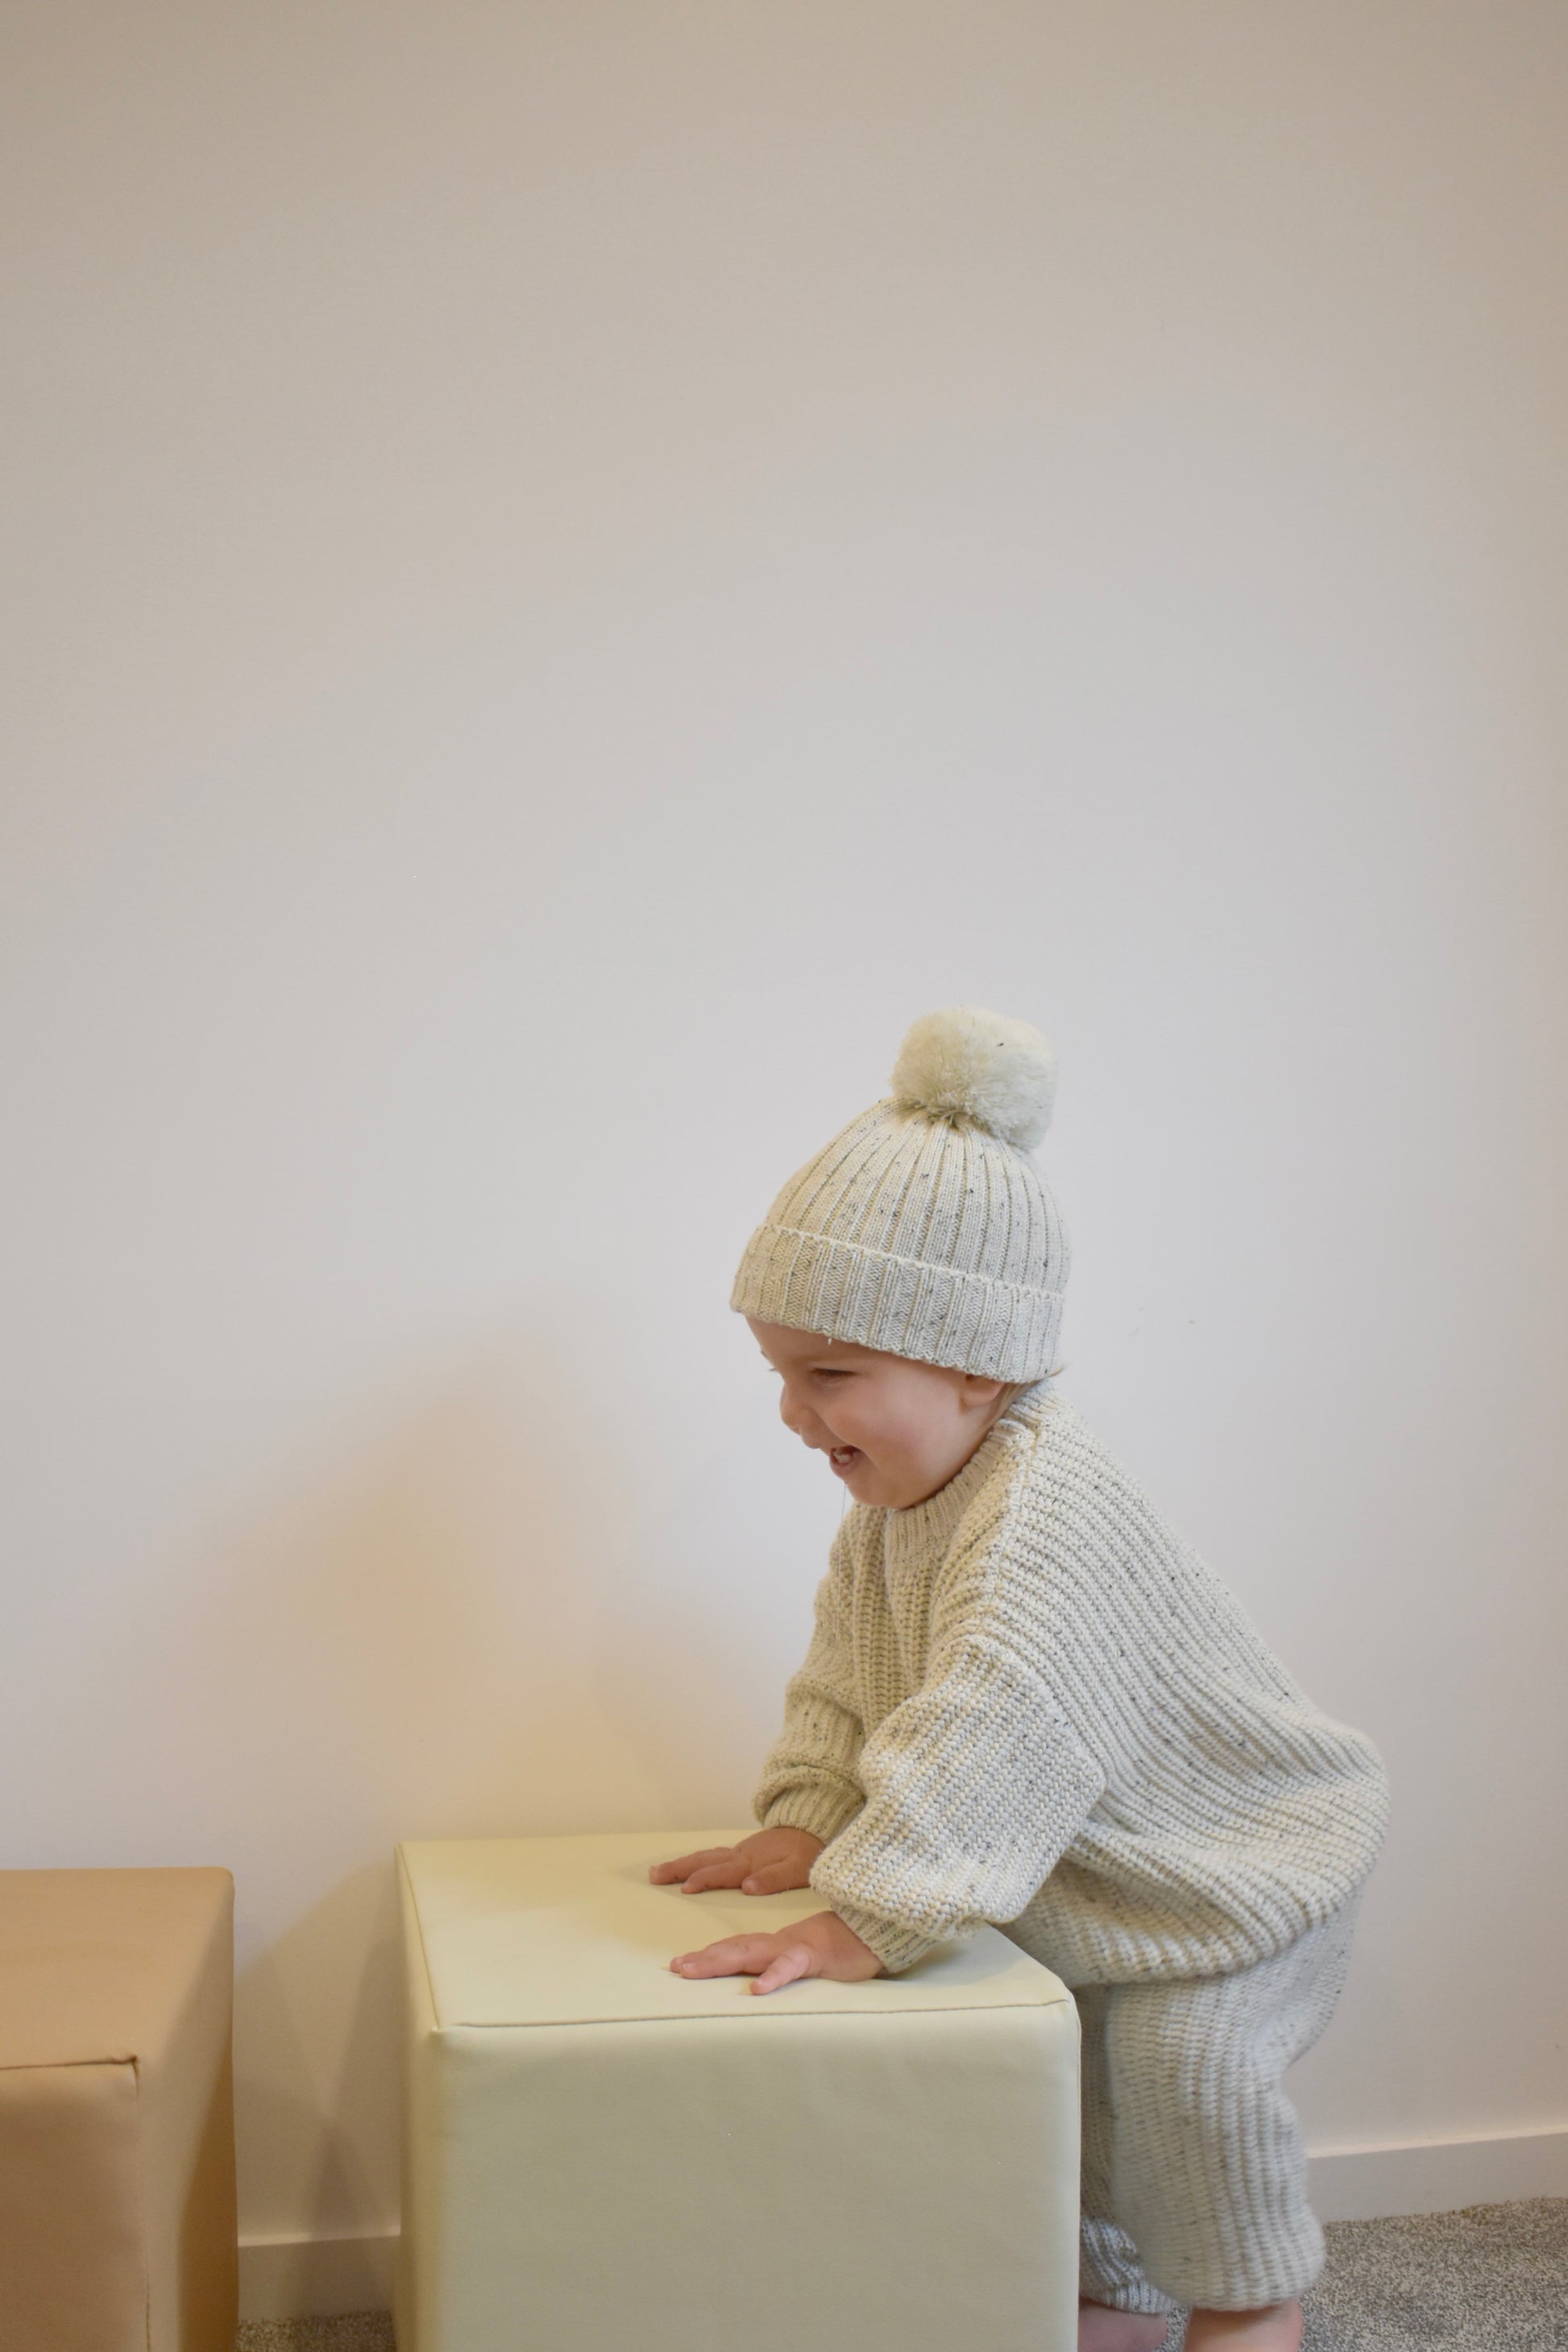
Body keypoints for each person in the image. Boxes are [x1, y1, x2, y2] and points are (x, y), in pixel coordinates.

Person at [650, 1006, 1388, 2352]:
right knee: (1067, 2059)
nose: (793, 1414)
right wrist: (808, 1814)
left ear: (978, 1369)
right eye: (779, 1373)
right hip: (1092, 1867)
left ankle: (1248, 2302)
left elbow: (999, 1725)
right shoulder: (895, 1510)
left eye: (829, 1374)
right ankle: (1113, 2296)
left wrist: (865, 1917)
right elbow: (847, 1673)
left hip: (1239, 1866)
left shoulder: (1042, 1515)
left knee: (1179, 2066)